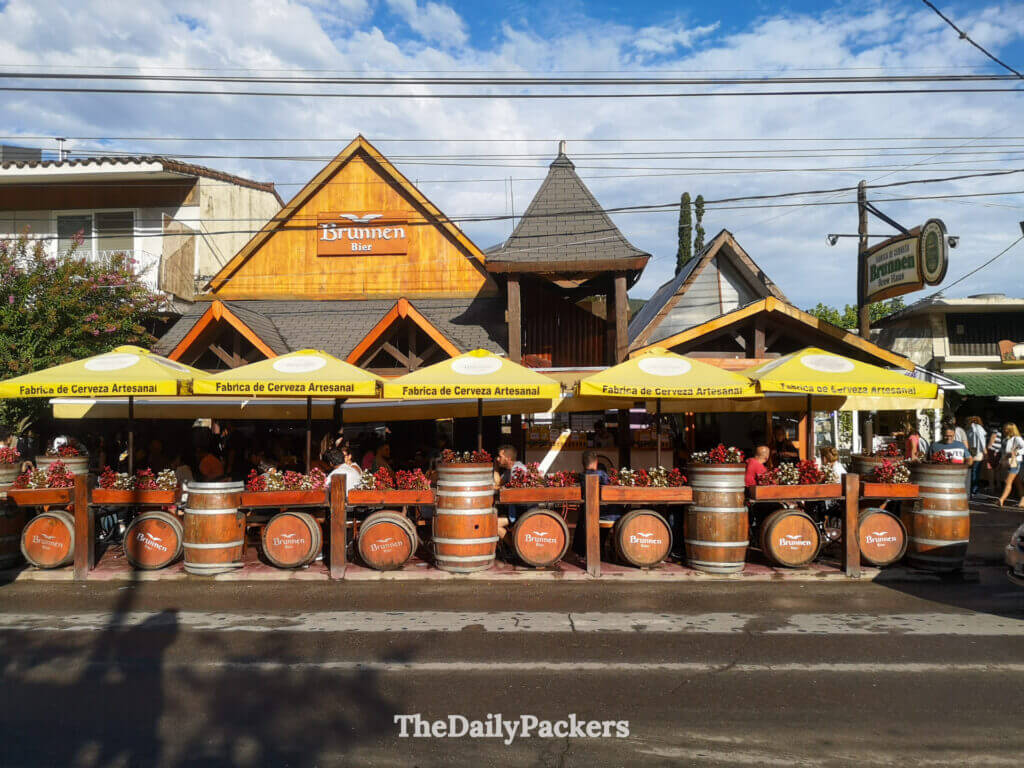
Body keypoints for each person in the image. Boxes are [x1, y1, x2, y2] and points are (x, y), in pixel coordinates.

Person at [494, 445, 528, 541]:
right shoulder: (509, 470)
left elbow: (510, 490)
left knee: (492, 525)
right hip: (514, 510)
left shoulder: (517, 470)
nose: (497, 458)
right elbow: (498, 483)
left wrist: (500, 487)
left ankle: (514, 548)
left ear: (508, 458)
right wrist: (496, 468)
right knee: (493, 521)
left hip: (521, 512)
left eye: (500, 456)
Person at [998, 423, 1024, 508]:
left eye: (1006, 429)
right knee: (1018, 482)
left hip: (1015, 462)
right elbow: (1003, 452)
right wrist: (1001, 461)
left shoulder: (1017, 438)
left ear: (1011, 430)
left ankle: (1001, 499)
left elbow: (1023, 448)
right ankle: (1023, 500)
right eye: (1004, 428)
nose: (1004, 430)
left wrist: (1016, 453)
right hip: (1008, 462)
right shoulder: (1006, 439)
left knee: (1007, 481)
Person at [966, 416, 987, 496]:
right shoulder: (979, 428)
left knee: (972, 471)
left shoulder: (969, 429)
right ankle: (974, 490)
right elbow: (982, 440)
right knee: (976, 471)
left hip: (972, 450)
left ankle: (970, 488)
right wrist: (985, 451)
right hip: (978, 451)